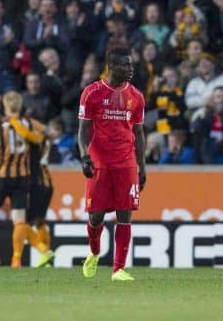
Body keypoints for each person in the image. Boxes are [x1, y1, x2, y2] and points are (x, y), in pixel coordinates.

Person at [78, 47, 146, 281]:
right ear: (112, 67)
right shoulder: (92, 93)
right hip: (100, 162)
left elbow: (139, 132)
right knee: (96, 216)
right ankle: (94, 252)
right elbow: (83, 130)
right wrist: (84, 156)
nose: (130, 69)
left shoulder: (136, 96)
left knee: (124, 214)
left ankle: (118, 269)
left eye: (131, 65)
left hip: (126, 162)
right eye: (126, 65)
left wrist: (142, 167)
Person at [0, 91, 54, 268]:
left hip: (2, 176)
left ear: (4, 105)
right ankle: (16, 260)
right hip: (23, 177)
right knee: (19, 219)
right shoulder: (29, 123)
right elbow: (48, 131)